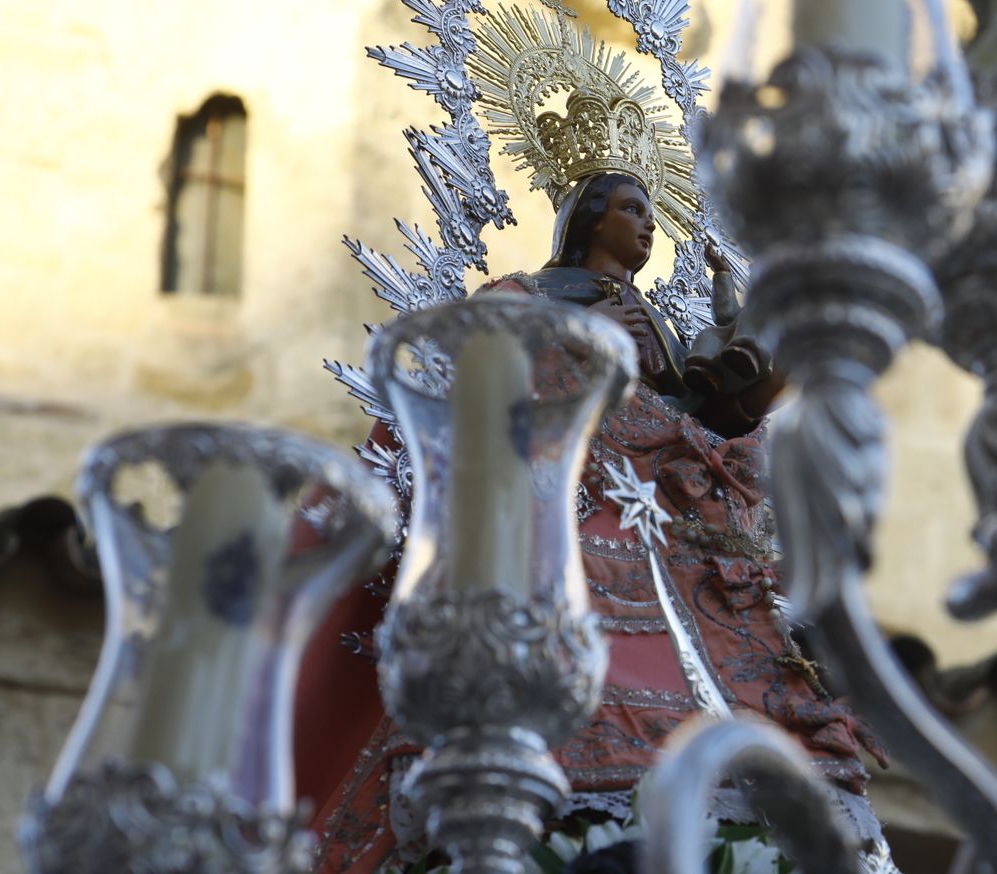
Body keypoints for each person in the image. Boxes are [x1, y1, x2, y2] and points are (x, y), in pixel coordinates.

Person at [298, 171, 884, 873]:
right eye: (630, 209)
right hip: (561, 506)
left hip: (662, 526)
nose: (647, 226)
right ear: (587, 220)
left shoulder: (654, 323)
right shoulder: (522, 296)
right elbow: (479, 378)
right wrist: (581, 339)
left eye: (650, 213)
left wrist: (758, 384)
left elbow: (696, 420)